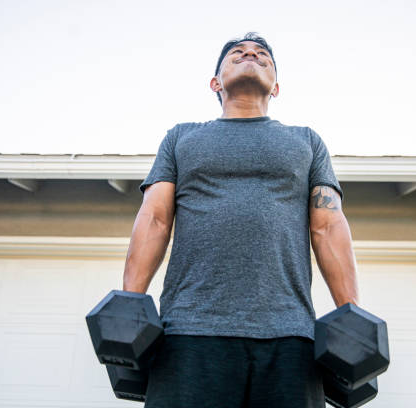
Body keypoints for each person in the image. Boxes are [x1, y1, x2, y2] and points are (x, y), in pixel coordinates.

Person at [123, 32, 359, 408]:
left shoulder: (307, 142)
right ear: (215, 83)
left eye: (262, 54)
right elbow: (154, 218)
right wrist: (130, 301)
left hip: (289, 334)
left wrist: (351, 311)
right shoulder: (181, 137)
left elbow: (327, 225)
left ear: (276, 87)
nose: (251, 54)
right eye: (238, 53)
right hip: (189, 330)